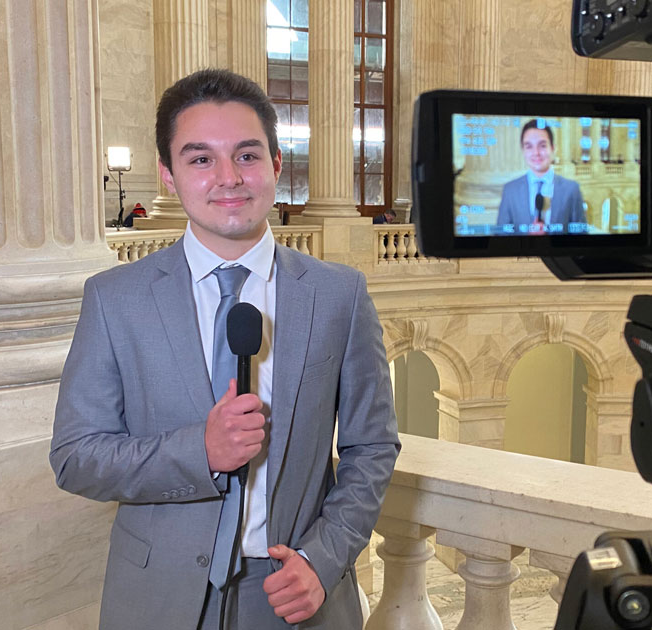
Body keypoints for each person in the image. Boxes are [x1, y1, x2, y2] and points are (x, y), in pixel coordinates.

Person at [49, 69, 400, 630]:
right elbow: (75, 457)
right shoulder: (115, 299)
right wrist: (201, 452)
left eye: (247, 155)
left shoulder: (339, 295)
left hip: (294, 592)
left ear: (277, 164)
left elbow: (372, 448)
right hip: (157, 596)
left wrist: (324, 558)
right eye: (200, 159)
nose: (229, 178)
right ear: (168, 175)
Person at [495, 119, 585, 232]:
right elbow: (501, 237)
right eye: (529, 146)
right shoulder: (510, 190)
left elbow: (581, 235)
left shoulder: (571, 189)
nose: (536, 153)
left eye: (542, 146)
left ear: (553, 148)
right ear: (523, 150)